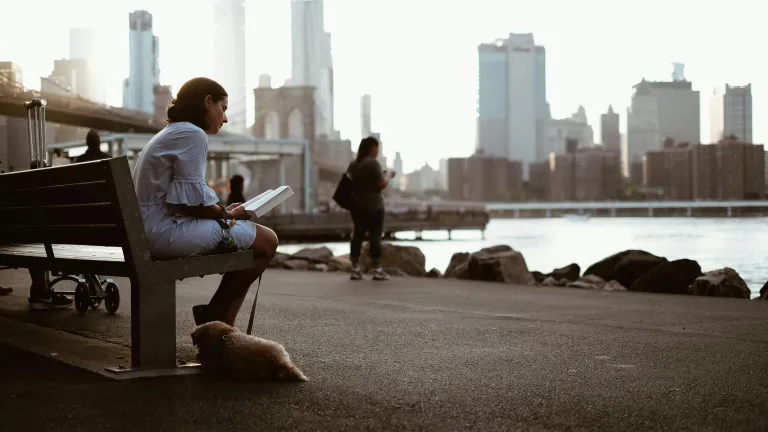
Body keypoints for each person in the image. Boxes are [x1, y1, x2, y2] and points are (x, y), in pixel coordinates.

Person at [132, 77, 278, 327]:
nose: (225, 118)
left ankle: (224, 327)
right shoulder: (192, 133)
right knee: (266, 241)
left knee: (249, 240)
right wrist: (231, 215)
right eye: (223, 109)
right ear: (207, 101)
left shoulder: (171, 132)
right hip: (161, 233)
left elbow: (180, 202)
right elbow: (192, 205)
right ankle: (215, 319)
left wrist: (223, 213)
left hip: (145, 229)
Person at [346, 136, 395, 281]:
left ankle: (355, 268)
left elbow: (349, 184)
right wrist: (389, 175)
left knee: (357, 236)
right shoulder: (372, 163)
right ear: (371, 148)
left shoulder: (354, 164)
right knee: (375, 237)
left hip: (357, 205)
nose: (378, 151)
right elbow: (382, 184)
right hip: (374, 205)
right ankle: (377, 270)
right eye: (376, 147)